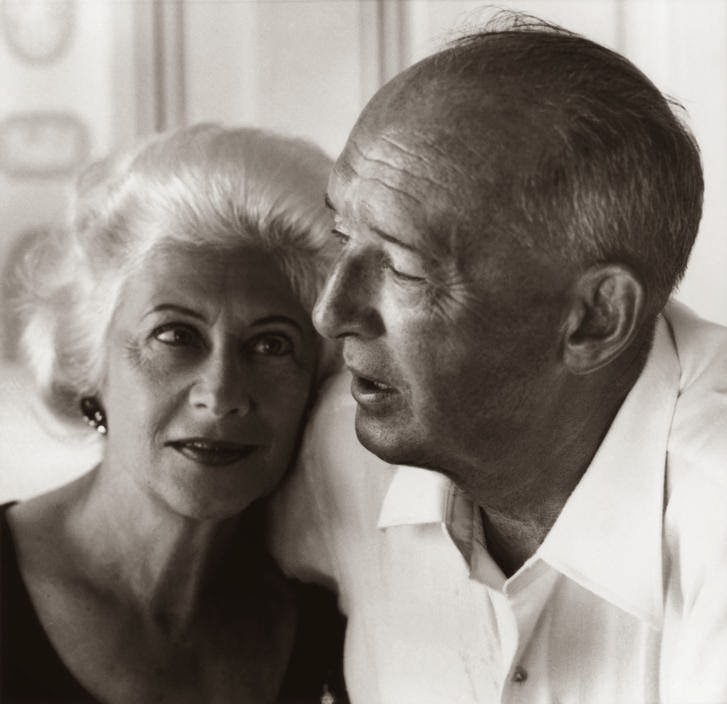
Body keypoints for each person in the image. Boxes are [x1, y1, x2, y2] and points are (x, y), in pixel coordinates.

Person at [269, 13, 727, 704]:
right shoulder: (342, 440)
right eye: (341, 234)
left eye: (404, 268)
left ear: (594, 318)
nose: (330, 314)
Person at [2, 123, 347, 703]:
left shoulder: (330, 621)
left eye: (271, 345)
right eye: (175, 335)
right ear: (89, 362)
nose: (221, 393)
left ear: (315, 383)